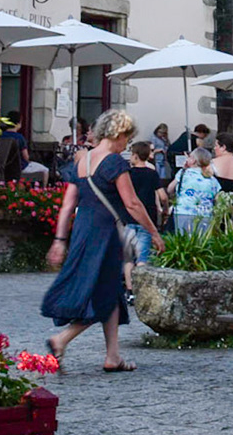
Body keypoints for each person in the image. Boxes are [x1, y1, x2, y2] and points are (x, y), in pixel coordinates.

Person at [40, 110, 162, 372]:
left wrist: (60, 240)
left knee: (111, 291)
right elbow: (132, 203)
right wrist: (153, 231)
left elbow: (67, 207)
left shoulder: (82, 163)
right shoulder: (115, 163)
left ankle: (113, 356)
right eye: (126, 140)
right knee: (103, 294)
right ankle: (61, 339)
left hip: (83, 230)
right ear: (118, 134)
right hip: (106, 233)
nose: (126, 146)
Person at [123, 136, 167, 291]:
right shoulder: (152, 173)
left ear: (135, 155)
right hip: (148, 217)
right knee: (143, 256)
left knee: (128, 258)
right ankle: (140, 289)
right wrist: (165, 208)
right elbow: (162, 196)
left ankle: (129, 290)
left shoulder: (127, 173)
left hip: (129, 217)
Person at [167, 147, 221, 235]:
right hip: (205, 213)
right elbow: (217, 198)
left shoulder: (183, 173)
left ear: (193, 160)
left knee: (183, 240)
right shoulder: (211, 179)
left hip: (183, 211)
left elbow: (170, 189)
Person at [0, 113, 28, 183]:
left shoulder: (0, 136)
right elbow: (25, 156)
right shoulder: (19, 137)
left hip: (0, 164)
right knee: (44, 171)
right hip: (18, 167)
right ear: (17, 124)